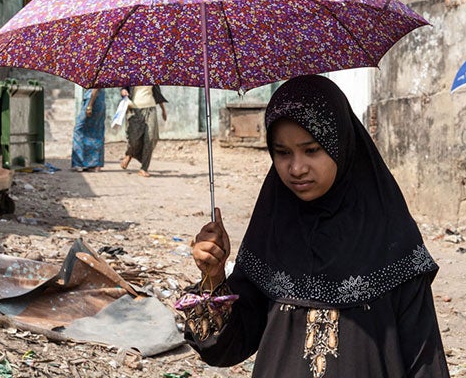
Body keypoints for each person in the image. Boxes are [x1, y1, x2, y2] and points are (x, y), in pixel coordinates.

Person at [185, 75, 450, 377]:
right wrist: (213, 276)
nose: (296, 168)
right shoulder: (272, 234)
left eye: (312, 150)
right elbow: (224, 349)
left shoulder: (391, 241)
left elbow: (424, 361)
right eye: (282, 153)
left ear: (341, 145)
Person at [119, 85, 167, 177]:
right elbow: (124, 88)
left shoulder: (152, 75)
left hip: (150, 108)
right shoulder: (131, 74)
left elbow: (158, 94)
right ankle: (130, 154)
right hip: (134, 110)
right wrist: (124, 92)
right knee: (134, 139)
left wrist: (163, 110)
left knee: (151, 137)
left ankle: (144, 168)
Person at [71, 88, 105, 172]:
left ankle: (79, 163)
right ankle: (94, 164)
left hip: (92, 101)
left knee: (79, 130)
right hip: (97, 100)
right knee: (96, 131)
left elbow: (96, 87)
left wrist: (90, 105)